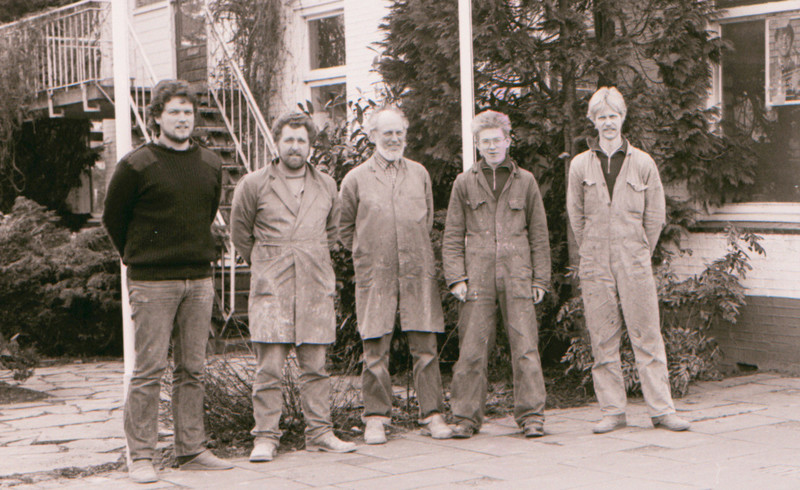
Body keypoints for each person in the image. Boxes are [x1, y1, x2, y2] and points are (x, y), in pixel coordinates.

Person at [102, 79, 233, 483]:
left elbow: (206, 213)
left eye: (188, 112)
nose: (182, 118)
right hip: (152, 282)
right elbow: (113, 218)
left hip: (199, 280)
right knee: (149, 370)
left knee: (193, 368)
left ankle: (191, 449)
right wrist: (139, 255)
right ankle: (140, 456)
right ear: (157, 117)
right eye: (174, 111)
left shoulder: (210, 163)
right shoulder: (137, 164)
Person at [230, 113, 357, 462]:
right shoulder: (254, 184)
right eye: (288, 139)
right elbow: (240, 234)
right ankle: (265, 437)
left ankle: (320, 432)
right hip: (272, 284)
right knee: (268, 368)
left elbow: (332, 232)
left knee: (316, 367)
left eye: (301, 140)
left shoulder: (327, 184)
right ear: (277, 142)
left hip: (315, 283)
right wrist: (269, 261)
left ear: (310, 145)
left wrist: (308, 254)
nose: (295, 147)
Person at [566, 87, 691, 434]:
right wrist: (593, 248)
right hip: (595, 261)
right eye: (601, 117)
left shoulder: (643, 163)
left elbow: (655, 216)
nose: (608, 122)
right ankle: (613, 411)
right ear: (593, 121)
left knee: (647, 335)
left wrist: (638, 250)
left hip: (634, 259)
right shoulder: (580, 165)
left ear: (623, 118)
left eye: (613, 116)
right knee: (602, 338)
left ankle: (662, 411)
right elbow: (575, 215)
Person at [339, 105, 452, 444]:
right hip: (376, 271)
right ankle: (376, 417)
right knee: (375, 348)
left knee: (426, 345)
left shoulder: (419, 173)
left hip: (417, 268)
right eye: (387, 132)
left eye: (399, 132)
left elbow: (425, 219)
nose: (394, 139)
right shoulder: (355, 178)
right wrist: (370, 251)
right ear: (373, 135)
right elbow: (344, 229)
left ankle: (432, 414)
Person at [442, 110, 551, 439]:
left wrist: (540, 279)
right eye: (485, 141)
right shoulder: (464, 183)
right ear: (477, 144)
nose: (491, 146)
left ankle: (531, 416)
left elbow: (539, 234)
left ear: (508, 141)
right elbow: (452, 235)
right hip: (477, 276)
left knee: (525, 346)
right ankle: (465, 417)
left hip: (518, 274)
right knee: (472, 348)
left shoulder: (526, 181)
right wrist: (456, 278)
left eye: (496, 140)